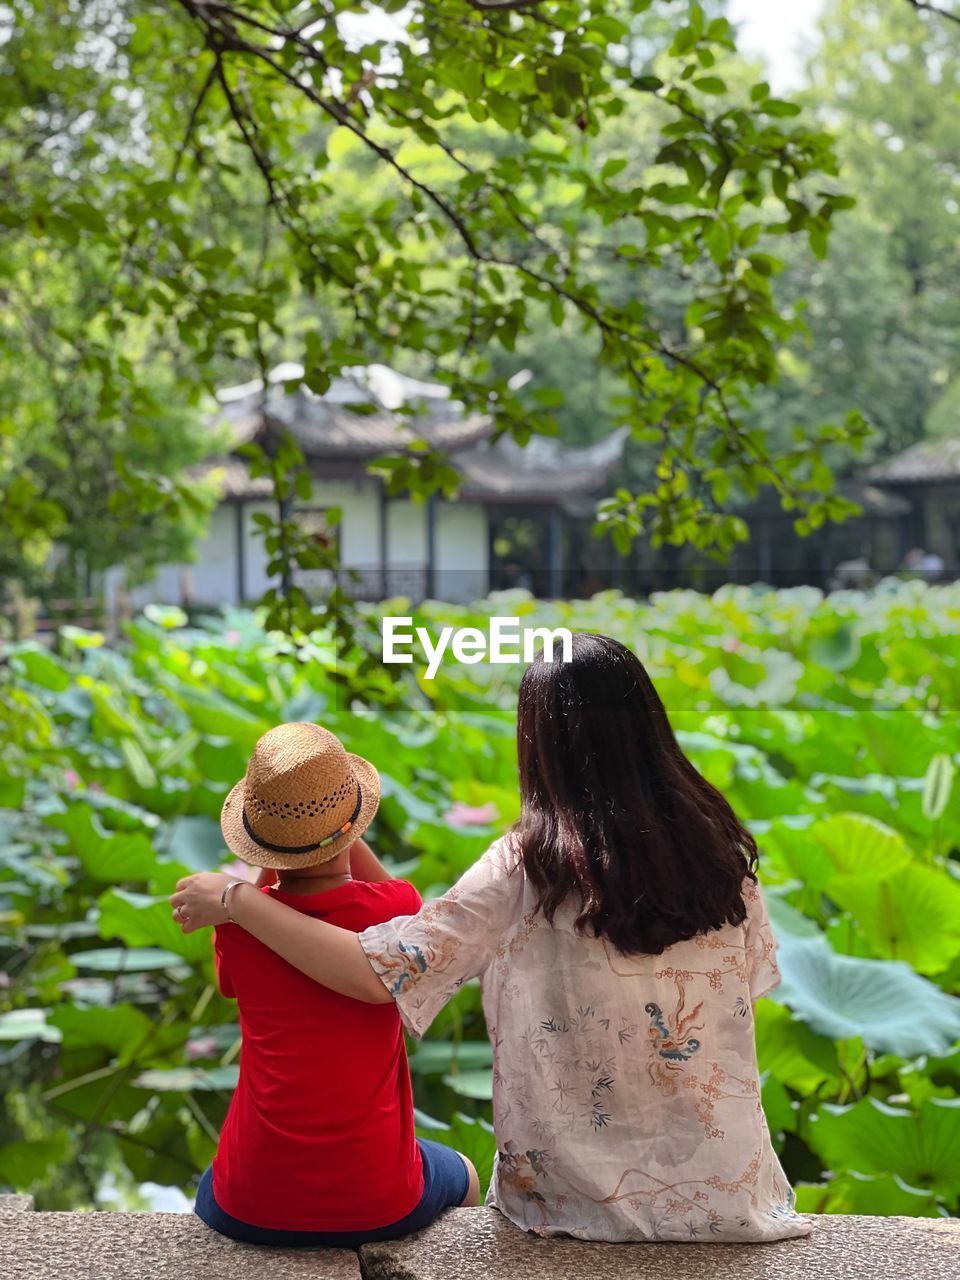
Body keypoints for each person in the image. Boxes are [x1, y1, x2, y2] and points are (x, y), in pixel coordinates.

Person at [172, 637, 809, 1244]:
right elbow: (750, 988)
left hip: (569, 1202)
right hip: (723, 1193)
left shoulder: (523, 868)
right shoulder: (723, 853)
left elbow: (382, 974)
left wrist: (239, 898)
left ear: (540, 745)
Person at [183, 721, 479, 1247]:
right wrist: (334, 822)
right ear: (352, 829)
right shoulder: (396, 913)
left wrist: (268, 866)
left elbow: (238, 968)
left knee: (211, 1177)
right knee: (464, 1170)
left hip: (250, 1203)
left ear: (258, 843)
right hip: (379, 1201)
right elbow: (392, 894)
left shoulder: (239, 928)